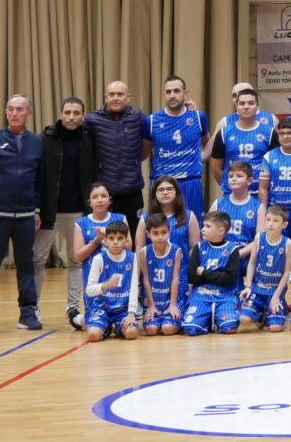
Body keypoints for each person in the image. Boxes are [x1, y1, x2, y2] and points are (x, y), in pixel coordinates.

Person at [0, 94, 46, 334]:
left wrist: (36, 210)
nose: (15, 113)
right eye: (11, 109)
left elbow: (40, 181)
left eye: (20, 109)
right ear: (5, 113)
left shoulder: (36, 143)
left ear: (28, 113)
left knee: (26, 267)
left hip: (25, 217)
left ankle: (28, 313)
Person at [38, 95, 97, 330]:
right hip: (49, 210)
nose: (71, 117)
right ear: (61, 113)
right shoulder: (46, 138)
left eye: (76, 113)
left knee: (76, 260)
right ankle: (32, 307)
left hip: (78, 212)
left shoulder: (89, 138)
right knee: (37, 260)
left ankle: (73, 308)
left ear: (83, 115)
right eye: (67, 112)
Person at [83, 81, 151, 222]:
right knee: (108, 234)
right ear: (106, 97)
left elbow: (156, 128)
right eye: (112, 94)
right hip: (105, 193)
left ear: (128, 97)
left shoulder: (138, 117)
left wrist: (187, 107)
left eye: (120, 94)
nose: (115, 98)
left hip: (133, 192)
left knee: (135, 233)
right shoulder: (92, 119)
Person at [147, 76, 208, 220]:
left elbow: (208, 143)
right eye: (168, 92)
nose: (172, 95)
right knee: (159, 227)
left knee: (193, 224)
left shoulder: (198, 117)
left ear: (185, 94)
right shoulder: (151, 120)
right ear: (163, 94)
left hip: (190, 181)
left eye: (176, 91)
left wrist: (199, 159)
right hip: (162, 183)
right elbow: (144, 152)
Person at [71, 182, 125, 329]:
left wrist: (108, 239)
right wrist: (96, 240)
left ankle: (81, 319)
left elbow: (128, 246)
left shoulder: (120, 219)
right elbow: (78, 256)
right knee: (98, 328)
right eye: (95, 197)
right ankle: (79, 319)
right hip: (93, 280)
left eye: (103, 196)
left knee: (122, 326)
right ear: (89, 202)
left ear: (110, 199)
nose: (100, 200)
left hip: (117, 278)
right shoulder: (81, 224)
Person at [182, 210, 242, 336]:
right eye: (203, 225)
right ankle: (208, 321)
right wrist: (218, 274)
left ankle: (216, 318)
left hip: (225, 295)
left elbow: (228, 279)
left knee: (230, 327)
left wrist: (204, 273)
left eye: (208, 226)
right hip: (201, 294)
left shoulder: (232, 249)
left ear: (220, 231)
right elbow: (192, 277)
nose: (203, 229)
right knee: (190, 328)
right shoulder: (199, 247)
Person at [82, 221, 140, 342]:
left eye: (120, 238)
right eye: (111, 238)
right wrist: (105, 285)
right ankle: (103, 325)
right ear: (105, 240)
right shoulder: (99, 259)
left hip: (122, 309)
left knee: (132, 333)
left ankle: (117, 328)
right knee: (93, 335)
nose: (115, 242)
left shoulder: (133, 257)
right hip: (101, 308)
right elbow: (89, 290)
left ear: (126, 240)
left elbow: (134, 287)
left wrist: (131, 313)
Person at [238, 203, 291, 331]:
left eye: (275, 221)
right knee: (244, 319)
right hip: (257, 288)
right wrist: (248, 286)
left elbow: (286, 273)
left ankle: (277, 310)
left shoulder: (287, 243)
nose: (270, 224)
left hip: (274, 289)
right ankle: (261, 314)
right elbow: (251, 263)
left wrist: (277, 295)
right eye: (268, 220)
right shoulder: (259, 237)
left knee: (275, 328)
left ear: (284, 225)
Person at [211, 87, 274, 187]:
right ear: (236, 106)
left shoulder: (270, 133)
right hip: (232, 193)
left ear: (257, 106)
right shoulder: (224, 133)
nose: (246, 107)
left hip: (260, 192)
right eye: (242, 103)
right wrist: (229, 188)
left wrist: (265, 190)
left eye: (251, 103)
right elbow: (216, 169)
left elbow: (275, 166)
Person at [138, 213, 185, 336]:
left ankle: (178, 318)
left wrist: (173, 305)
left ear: (169, 232)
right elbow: (146, 280)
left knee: (167, 329)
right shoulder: (143, 253)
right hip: (154, 299)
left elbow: (175, 278)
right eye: (155, 233)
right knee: (151, 330)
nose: (160, 237)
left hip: (170, 298)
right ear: (148, 234)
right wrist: (151, 306)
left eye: (164, 232)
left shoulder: (176, 250)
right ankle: (157, 315)